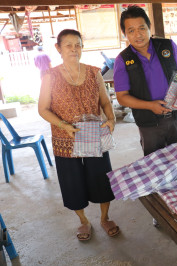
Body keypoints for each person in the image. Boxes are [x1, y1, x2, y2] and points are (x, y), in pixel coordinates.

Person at [38, 29, 119, 241]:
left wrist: (110, 120)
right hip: (65, 139)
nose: (74, 49)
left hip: (94, 135)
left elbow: (105, 102)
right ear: (58, 48)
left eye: (78, 45)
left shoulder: (94, 73)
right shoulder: (50, 76)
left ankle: (104, 217)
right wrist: (64, 125)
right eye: (68, 45)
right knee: (72, 182)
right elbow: (43, 109)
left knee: (101, 178)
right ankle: (83, 221)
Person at [113, 5, 177, 157]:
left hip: (176, 118)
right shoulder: (123, 60)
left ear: (149, 27)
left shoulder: (168, 46)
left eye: (141, 28)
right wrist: (150, 106)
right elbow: (122, 97)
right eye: (131, 31)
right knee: (155, 165)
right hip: (148, 124)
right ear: (124, 34)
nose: (138, 35)